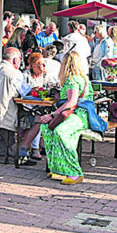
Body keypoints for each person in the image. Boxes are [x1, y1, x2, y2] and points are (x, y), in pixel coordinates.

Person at [36, 51, 96, 184]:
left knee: (59, 132)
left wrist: (52, 114)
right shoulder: (84, 78)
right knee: (48, 129)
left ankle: (74, 171)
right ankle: (59, 169)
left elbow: (71, 102)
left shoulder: (72, 80)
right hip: (82, 115)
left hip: (77, 115)